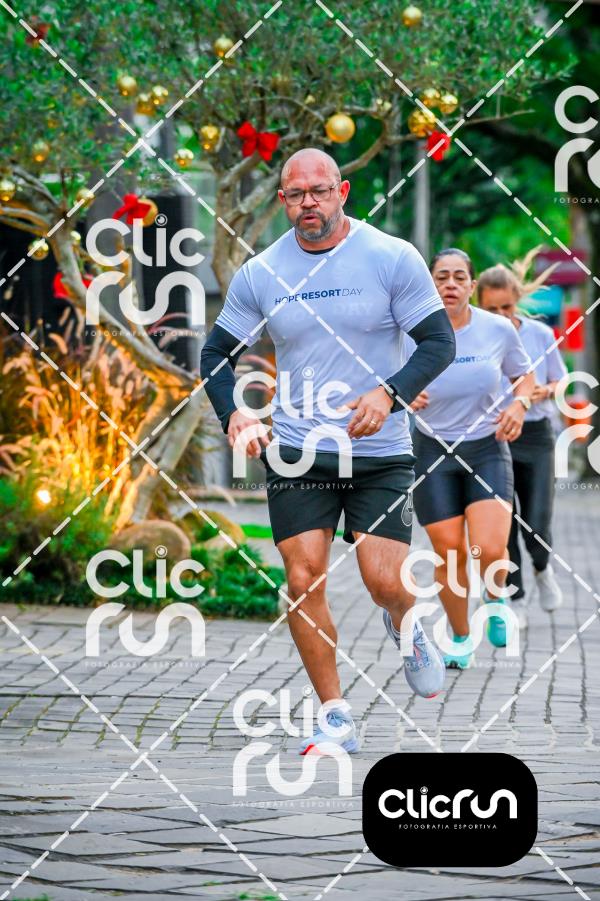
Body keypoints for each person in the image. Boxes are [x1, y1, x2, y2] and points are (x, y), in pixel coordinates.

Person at [200, 148, 456, 754]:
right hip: (297, 451)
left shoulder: (391, 256)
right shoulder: (262, 271)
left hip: (380, 451)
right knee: (301, 577)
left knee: (384, 582)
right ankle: (335, 714)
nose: (308, 202)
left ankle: (406, 619)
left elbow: (438, 342)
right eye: (296, 194)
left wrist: (389, 395)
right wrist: (235, 412)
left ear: (342, 192)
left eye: (319, 190)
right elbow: (214, 355)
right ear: (283, 201)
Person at [406, 248, 535, 670]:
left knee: (490, 548)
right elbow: (382, 378)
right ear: (430, 285)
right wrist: (401, 393)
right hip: (432, 450)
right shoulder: (410, 332)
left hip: (485, 448)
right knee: (450, 553)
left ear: (472, 286)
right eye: (441, 277)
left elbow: (524, 376)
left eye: (459, 277)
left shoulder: (497, 329)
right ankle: (460, 637)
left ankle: (495, 598)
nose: (450, 284)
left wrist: (519, 405)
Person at [478, 259, 567, 618]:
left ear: (517, 300)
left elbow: (560, 379)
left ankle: (543, 568)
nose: (501, 315)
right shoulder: (475, 335)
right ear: (479, 305)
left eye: (506, 307)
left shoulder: (540, 335)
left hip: (536, 436)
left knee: (536, 522)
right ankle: (514, 600)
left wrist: (545, 390)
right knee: (502, 527)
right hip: (493, 437)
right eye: (492, 309)